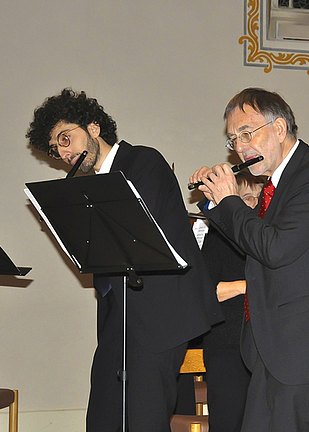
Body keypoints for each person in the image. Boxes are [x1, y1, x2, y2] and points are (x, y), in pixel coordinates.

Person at [26, 88, 222, 432]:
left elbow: (139, 236)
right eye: (56, 149)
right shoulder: (95, 186)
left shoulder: (144, 162)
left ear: (93, 127)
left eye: (66, 138)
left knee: (143, 420)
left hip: (160, 317)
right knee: (103, 417)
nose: (63, 152)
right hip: (121, 319)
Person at [190, 87, 309, 432]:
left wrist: (231, 201)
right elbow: (252, 244)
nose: (239, 147)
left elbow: (274, 249)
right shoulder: (278, 184)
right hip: (276, 348)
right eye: (233, 139)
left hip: (304, 350)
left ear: (279, 129)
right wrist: (214, 203)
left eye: (247, 133)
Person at [199, 171, 263, 432]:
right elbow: (205, 291)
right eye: (247, 198)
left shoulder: (265, 239)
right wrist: (250, 287)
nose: (254, 205)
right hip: (228, 345)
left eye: (259, 198)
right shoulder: (218, 237)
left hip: (264, 346)